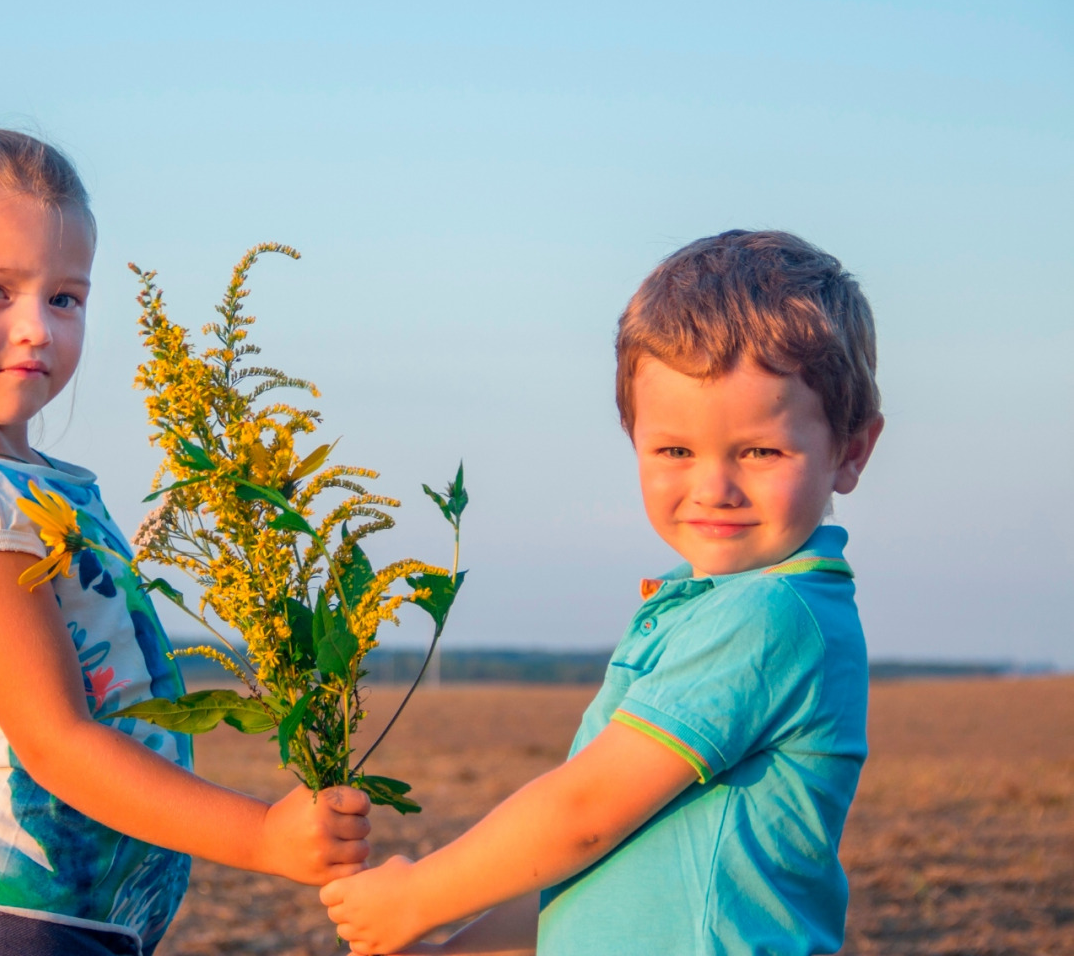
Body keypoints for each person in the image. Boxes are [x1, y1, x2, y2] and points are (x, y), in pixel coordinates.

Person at [0, 130, 371, 956]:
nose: (36, 329)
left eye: (64, 298)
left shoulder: (45, 482)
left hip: (68, 930)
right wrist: (262, 838)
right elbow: (59, 743)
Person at [321, 230, 884, 955]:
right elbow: (591, 865)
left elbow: (582, 814)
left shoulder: (767, 615)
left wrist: (415, 899)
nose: (714, 487)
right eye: (675, 450)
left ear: (851, 450)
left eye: (760, 451)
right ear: (634, 439)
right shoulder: (707, 606)